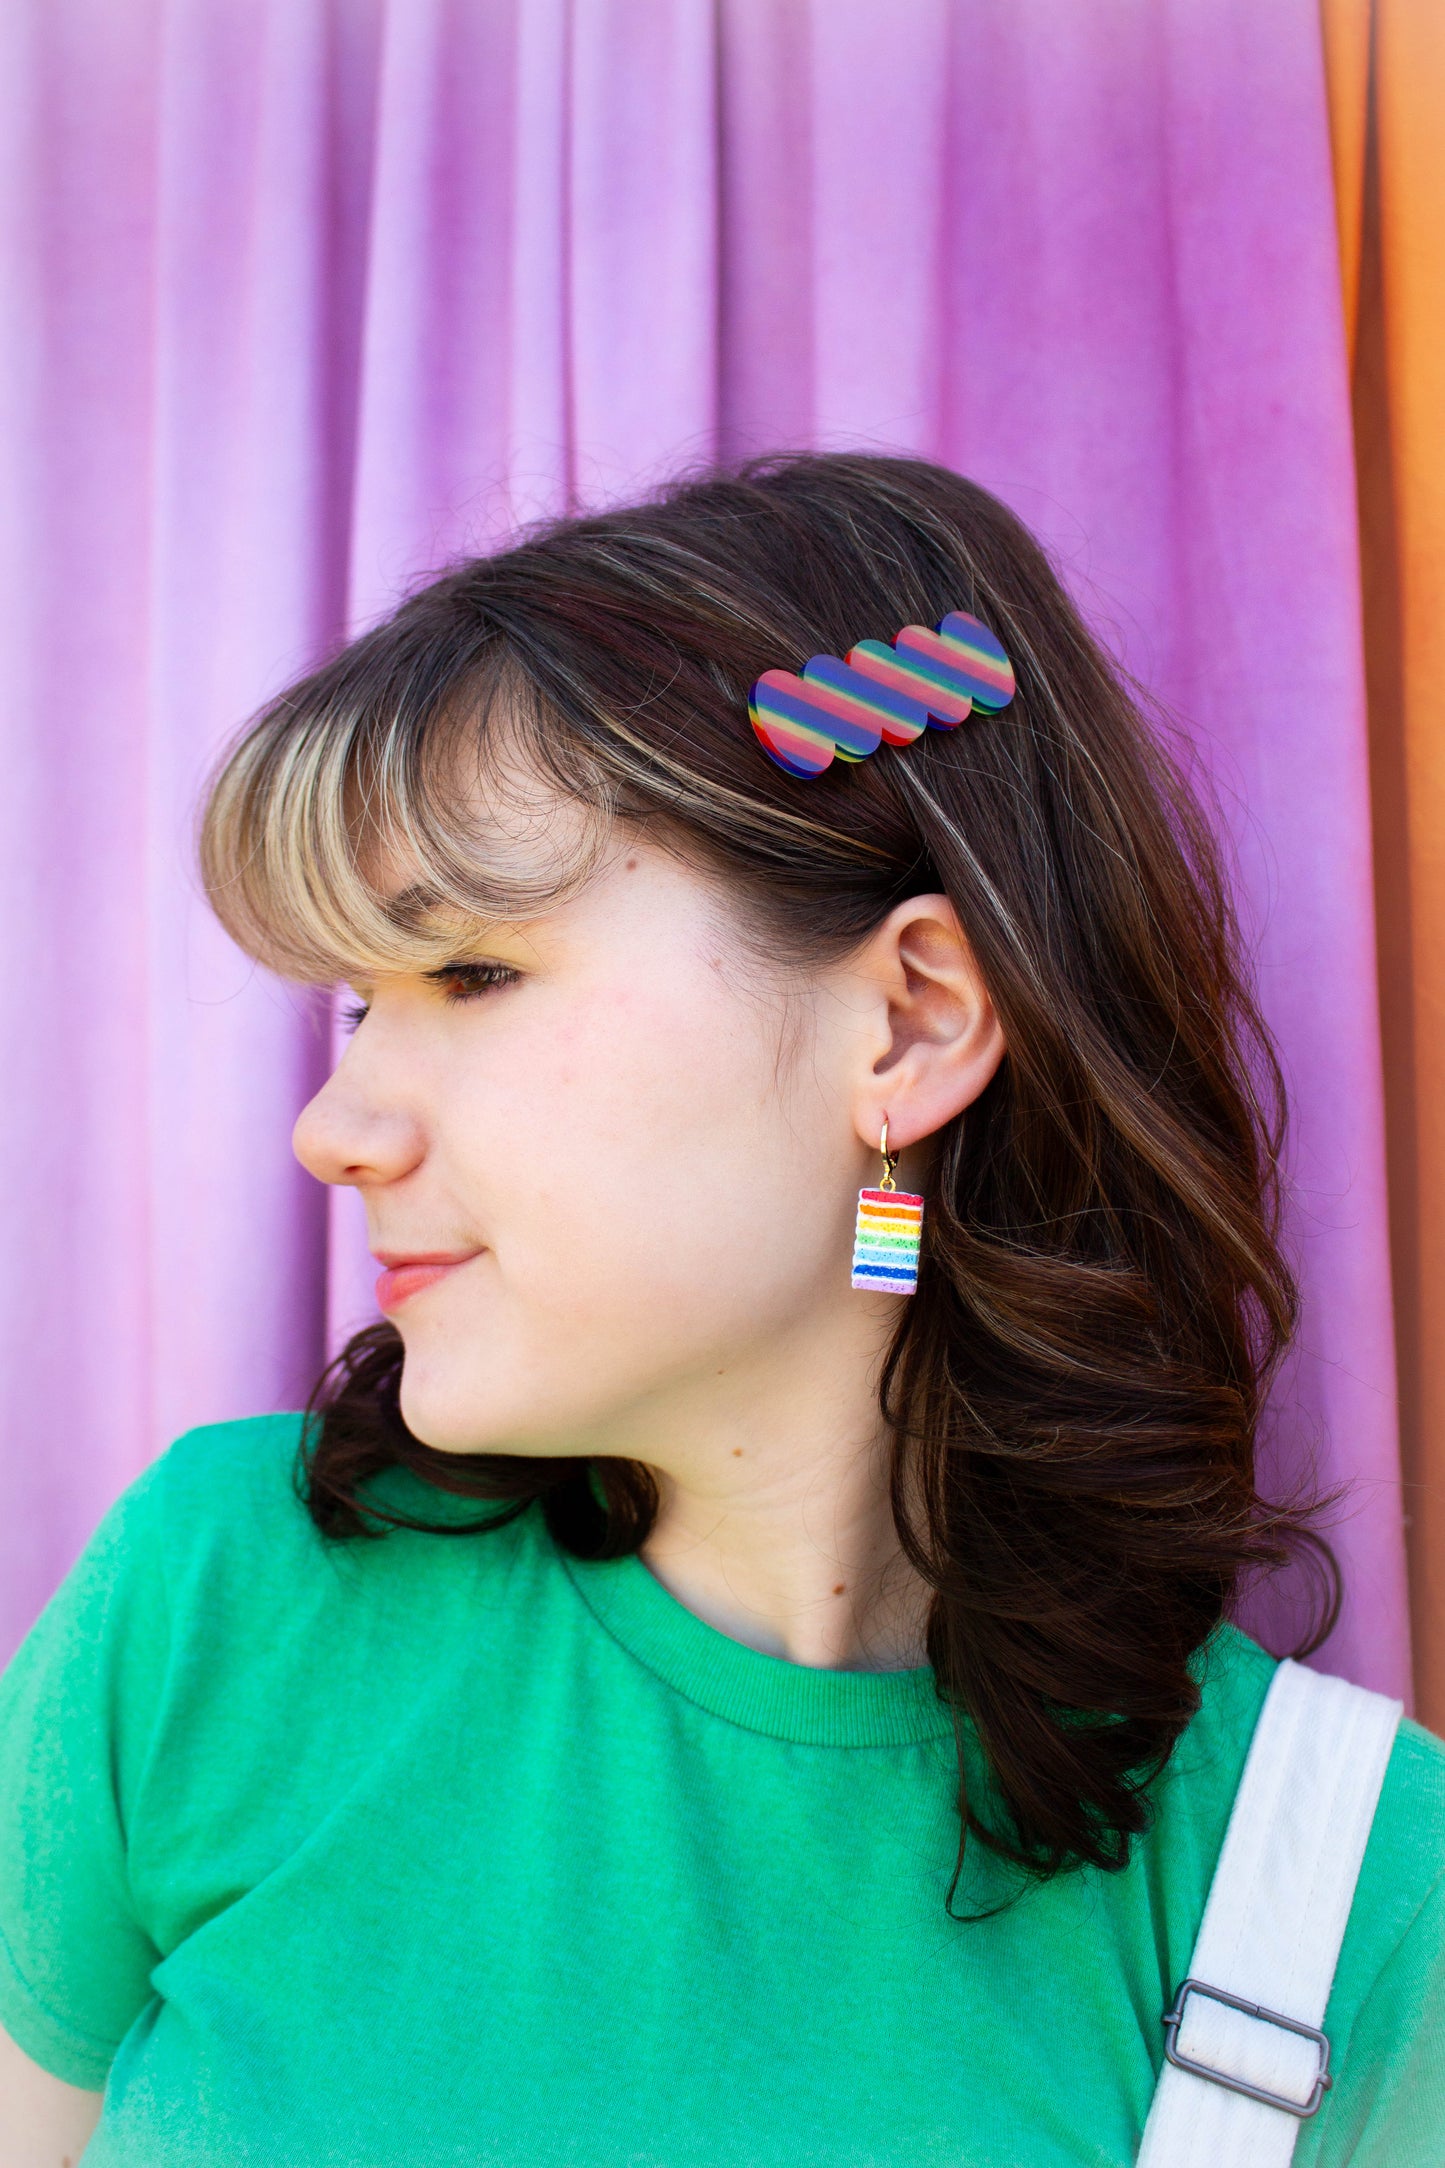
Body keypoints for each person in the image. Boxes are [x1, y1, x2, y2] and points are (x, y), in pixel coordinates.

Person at [2, 454, 1441, 2167]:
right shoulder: (212, 1610)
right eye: (360, 1009)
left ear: (906, 1025)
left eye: (471, 971)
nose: (335, 1129)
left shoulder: (1341, 1899)